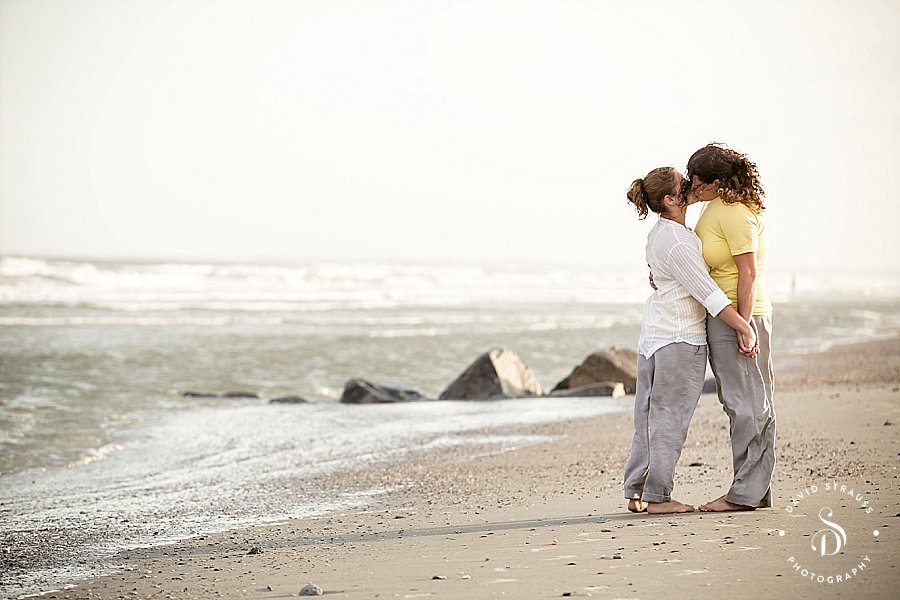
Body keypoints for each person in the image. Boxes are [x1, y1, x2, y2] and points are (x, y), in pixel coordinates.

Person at [622, 166, 756, 514]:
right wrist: (743, 325)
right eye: (685, 185)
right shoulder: (679, 241)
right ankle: (658, 498)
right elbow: (708, 294)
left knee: (648, 417)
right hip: (679, 339)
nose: (692, 186)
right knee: (669, 418)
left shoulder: (661, 234)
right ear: (670, 199)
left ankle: (637, 491)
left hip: (655, 336)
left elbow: (672, 277)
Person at [686, 143, 776, 512]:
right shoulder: (714, 206)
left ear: (717, 182)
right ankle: (753, 491)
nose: (692, 185)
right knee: (740, 403)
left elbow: (748, 271)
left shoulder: (736, 212)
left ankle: (744, 496)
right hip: (726, 315)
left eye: (697, 180)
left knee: (749, 405)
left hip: (742, 315)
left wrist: (743, 326)